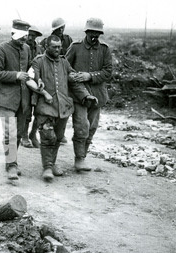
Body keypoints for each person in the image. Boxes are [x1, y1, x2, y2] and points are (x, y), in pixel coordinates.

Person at [30, 35, 96, 182]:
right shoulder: (38, 61)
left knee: (58, 137)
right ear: (47, 46)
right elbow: (33, 78)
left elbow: (74, 81)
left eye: (59, 47)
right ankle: (47, 167)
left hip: (62, 108)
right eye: (54, 47)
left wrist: (86, 95)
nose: (58, 49)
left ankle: (52, 163)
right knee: (48, 136)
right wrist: (39, 81)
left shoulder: (64, 62)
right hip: (45, 106)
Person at [66, 18, 112, 172]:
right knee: (81, 126)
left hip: (97, 94)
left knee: (91, 127)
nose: (94, 36)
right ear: (86, 32)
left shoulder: (105, 49)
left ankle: (82, 157)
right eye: (92, 32)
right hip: (79, 95)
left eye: (97, 33)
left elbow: (107, 72)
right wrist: (75, 76)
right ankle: (78, 159)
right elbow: (65, 67)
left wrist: (89, 76)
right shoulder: (75, 47)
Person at [0, 19, 32, 180]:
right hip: (6, 98)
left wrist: (36, 79)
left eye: (26, 36)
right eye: (22, 36)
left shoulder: (27, 49)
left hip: (23, 99)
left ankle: (13, 160)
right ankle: (11, 165)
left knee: (20, 132)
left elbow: (29, 70)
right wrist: (15, 75)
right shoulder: (1, 49)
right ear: (13, 33)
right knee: (10, 132)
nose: (24, 39)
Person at [40, 18, 74, 145]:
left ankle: (60, 133)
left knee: (64, 106)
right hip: (48, 77)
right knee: (46, 109)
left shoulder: (68, 40)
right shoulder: (46, 41)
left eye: (62, 28)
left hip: (63, 74)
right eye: (58, 29)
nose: (61, 30)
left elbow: (69, 57)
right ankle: (37, 133)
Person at [21, 25, 44, 149]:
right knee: (26, 110)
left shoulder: (39, 49)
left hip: (37, 81)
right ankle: (24, 135)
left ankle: (33, 134)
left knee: (40, 110)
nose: (30, 37)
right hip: (25, 82)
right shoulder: (22, 47)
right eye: (29, 35)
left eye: (33, 36)